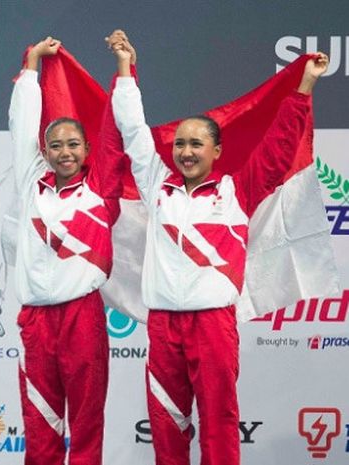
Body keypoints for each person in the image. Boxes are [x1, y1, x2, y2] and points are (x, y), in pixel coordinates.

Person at [107, 29, 329, 465]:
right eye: (180, 144)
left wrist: (303, 87)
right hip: (164, 328)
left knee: (218, 419)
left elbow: (280, 146)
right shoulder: (156, 186)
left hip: (213, 326)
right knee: (167, 424)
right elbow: (133, 131)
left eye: (196, 144)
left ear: (216, 150)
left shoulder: (237, 191)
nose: (185, 151)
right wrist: (125, 69)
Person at [9, 37, 133, 465]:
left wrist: (124, 70)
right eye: (56, 145)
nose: (65, 152)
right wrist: (30, 67)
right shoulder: (31, 187)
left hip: (82, 318)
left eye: (74, 145)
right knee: (39, 422)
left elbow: (118, 133)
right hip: (36, 321)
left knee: (85, 423)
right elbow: (21, 124)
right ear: (44, 152)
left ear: (86, 152)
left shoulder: (100, 192)